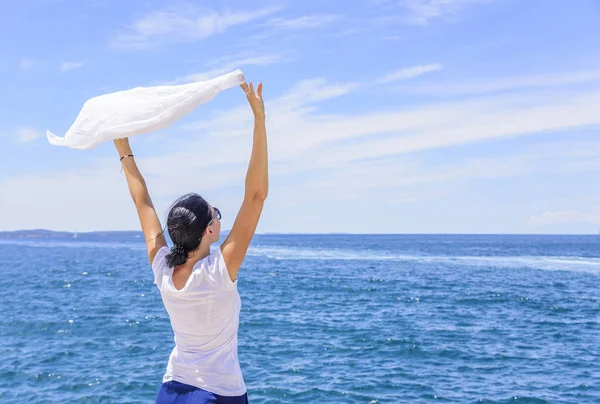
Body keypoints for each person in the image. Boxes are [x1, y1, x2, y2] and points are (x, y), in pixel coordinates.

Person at [113, 81, 268, 404]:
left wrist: (122, 147)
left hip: (170, 391)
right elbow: (256, 196)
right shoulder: (217, 273)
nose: (219, 219)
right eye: (217, 214)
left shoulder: (163, 268)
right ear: (209, 231)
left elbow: (143, 204)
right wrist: (259, 119)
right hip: (217, 394)